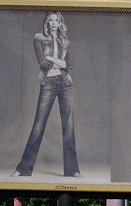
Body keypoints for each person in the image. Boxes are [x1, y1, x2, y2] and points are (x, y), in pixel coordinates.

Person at [13, 11, 80, 177]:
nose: (54, 23)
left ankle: (72, 170)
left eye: (56, 20)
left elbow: (69, 64)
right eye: (51, 20)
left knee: (69, 127)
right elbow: (43, 62)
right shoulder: (39, 38)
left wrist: (53, 59)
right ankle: (23, 169)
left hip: (65, 83)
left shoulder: (65, 41)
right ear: (46, 23)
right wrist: (59, 63)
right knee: (38, 125)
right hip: (49, 82)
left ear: (60, 23)